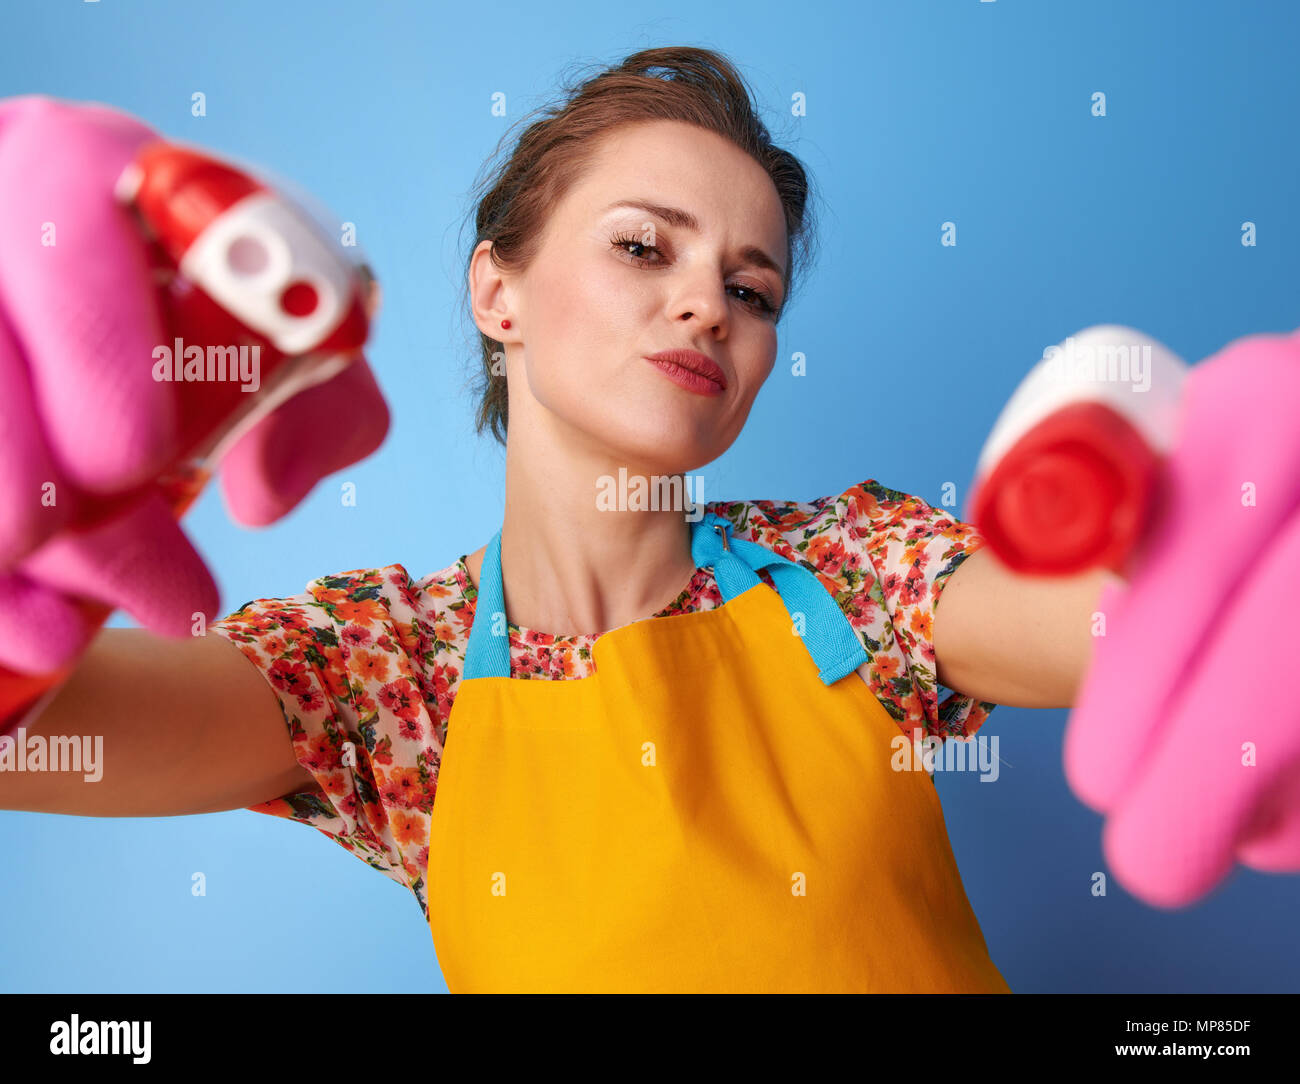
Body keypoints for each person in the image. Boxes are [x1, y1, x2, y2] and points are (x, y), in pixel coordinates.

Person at [3, 47, 1110, 993]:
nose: (705, 307)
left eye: (752, 290)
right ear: (499, 294)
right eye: (643, 246)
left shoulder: (851, 569)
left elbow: (1118, 629)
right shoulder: (391, 677)